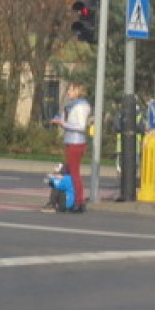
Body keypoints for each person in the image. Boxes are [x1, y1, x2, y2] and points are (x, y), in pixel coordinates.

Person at [51, 82, 91, 212]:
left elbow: (81, 126)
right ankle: (69, 199)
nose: (68, 92)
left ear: (78, 91)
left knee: (74, 173)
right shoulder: (73, 105)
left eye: (71, 90)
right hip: (70, 141)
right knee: (69, 171)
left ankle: (78, 202)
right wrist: (60, 121)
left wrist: (64, 123)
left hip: (76, 142)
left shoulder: (82, 106)